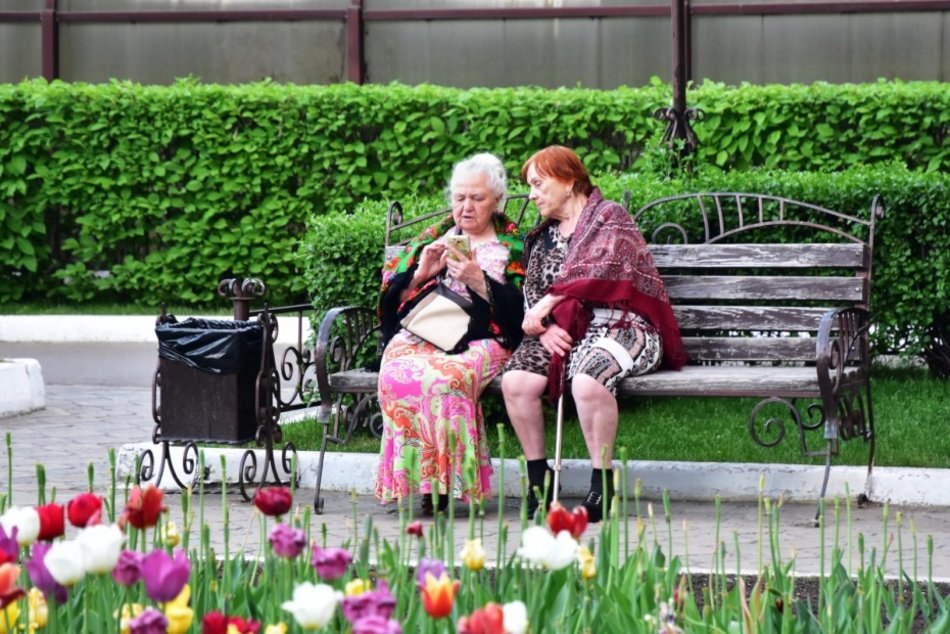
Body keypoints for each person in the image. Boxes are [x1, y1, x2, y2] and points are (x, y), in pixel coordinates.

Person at [502, 145, 686, 522]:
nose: (532, 194)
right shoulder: (544, 236)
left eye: (538, 184)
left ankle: (602, 484)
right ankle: (540, 483)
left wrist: (548, 307)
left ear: (568, 181)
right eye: (529, 186)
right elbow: (532, 294)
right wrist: (547, 327)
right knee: (516, 382)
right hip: (566, 330)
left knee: (586, 382)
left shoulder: (609, 217)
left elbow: (602, 269)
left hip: (624, 325)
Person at [375, 153, 526, 516]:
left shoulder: (513, 245)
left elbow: (522, 311)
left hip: (483, 337)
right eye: (459, 198)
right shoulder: (437, 237)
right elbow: (391, 297)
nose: (466, 207)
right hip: (428, 330)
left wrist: (479, 280)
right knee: (396, 376)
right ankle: (420, 483)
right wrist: (421, 274)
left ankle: (449, 487)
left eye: (477, 198)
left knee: (447, 381)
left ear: (498, 201)